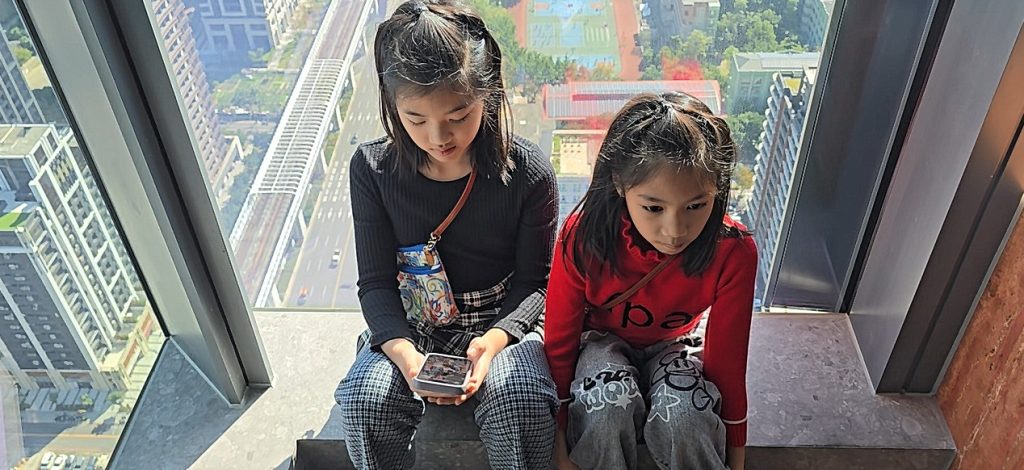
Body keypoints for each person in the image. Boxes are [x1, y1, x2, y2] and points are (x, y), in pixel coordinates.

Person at [334, 1, 559, 469]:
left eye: (458, 115)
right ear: (393, 106)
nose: (439, 136)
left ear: (487, 95)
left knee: (520, 402)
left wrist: (493, 341)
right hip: (414, 318)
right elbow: (375, 283)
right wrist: (403, 353)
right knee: (363, 403)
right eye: (416, 119)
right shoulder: (374, 170)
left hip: (500, 316)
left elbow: (534, 283)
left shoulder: (527, 172)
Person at [545, 92, 757, 470]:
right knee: (606, 407)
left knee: (687, 418)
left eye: (696, 205)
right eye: (653, 207)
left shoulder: (732, 251)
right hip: (602, 340)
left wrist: (736, 460)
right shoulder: (584, 236)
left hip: (677, 343)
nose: (675, 230)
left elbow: (728, 360)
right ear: (619, 182)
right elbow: (560, 342)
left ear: (718, 189)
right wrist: (560, 441)